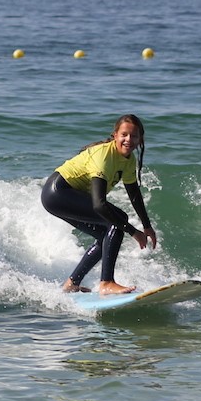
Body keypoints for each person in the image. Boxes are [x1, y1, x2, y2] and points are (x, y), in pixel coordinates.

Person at [40, 114, 158, 295]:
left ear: (140, 139)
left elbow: (134, 194)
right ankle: (107, 283)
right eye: (124, 135)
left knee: (106, 234)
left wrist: (147, 226)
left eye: (134, 136)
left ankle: (72, 283)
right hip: (57, 193)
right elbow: (99, 205)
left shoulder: (128, 160)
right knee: (115, 221)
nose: (128, 140)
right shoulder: (104, 156)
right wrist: (133, 232)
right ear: (115, 135)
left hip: (63, 195)